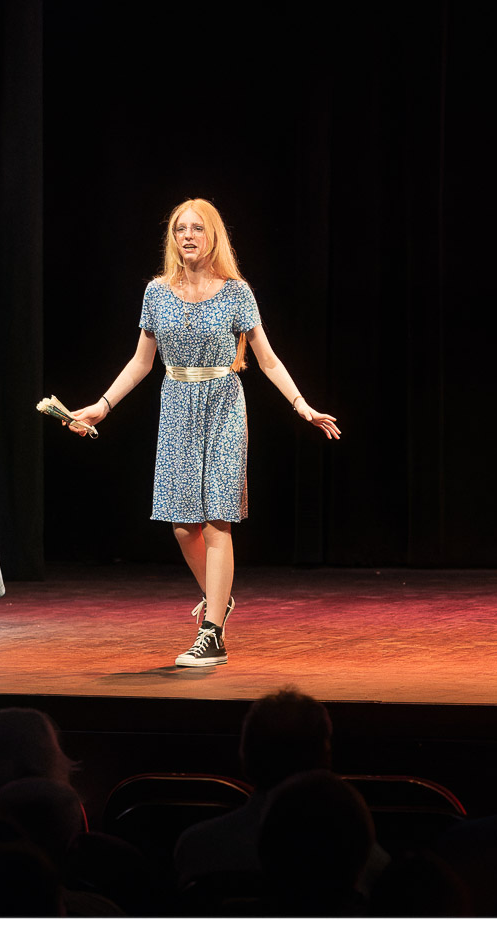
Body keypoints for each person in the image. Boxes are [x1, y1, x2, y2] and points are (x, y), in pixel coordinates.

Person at [67, 199, 339, 667]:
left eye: (196, 228)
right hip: (176, 404)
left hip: (224, 404)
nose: (187, 236)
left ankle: (212, 632)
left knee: (217, 520)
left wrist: (302, 405)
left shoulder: (236, 292)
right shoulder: (156, 292)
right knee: (181, 526)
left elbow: (267, 359)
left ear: (213, 236)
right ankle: (221, 600)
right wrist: (102, 406)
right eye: (179, 229)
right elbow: (140, 362)